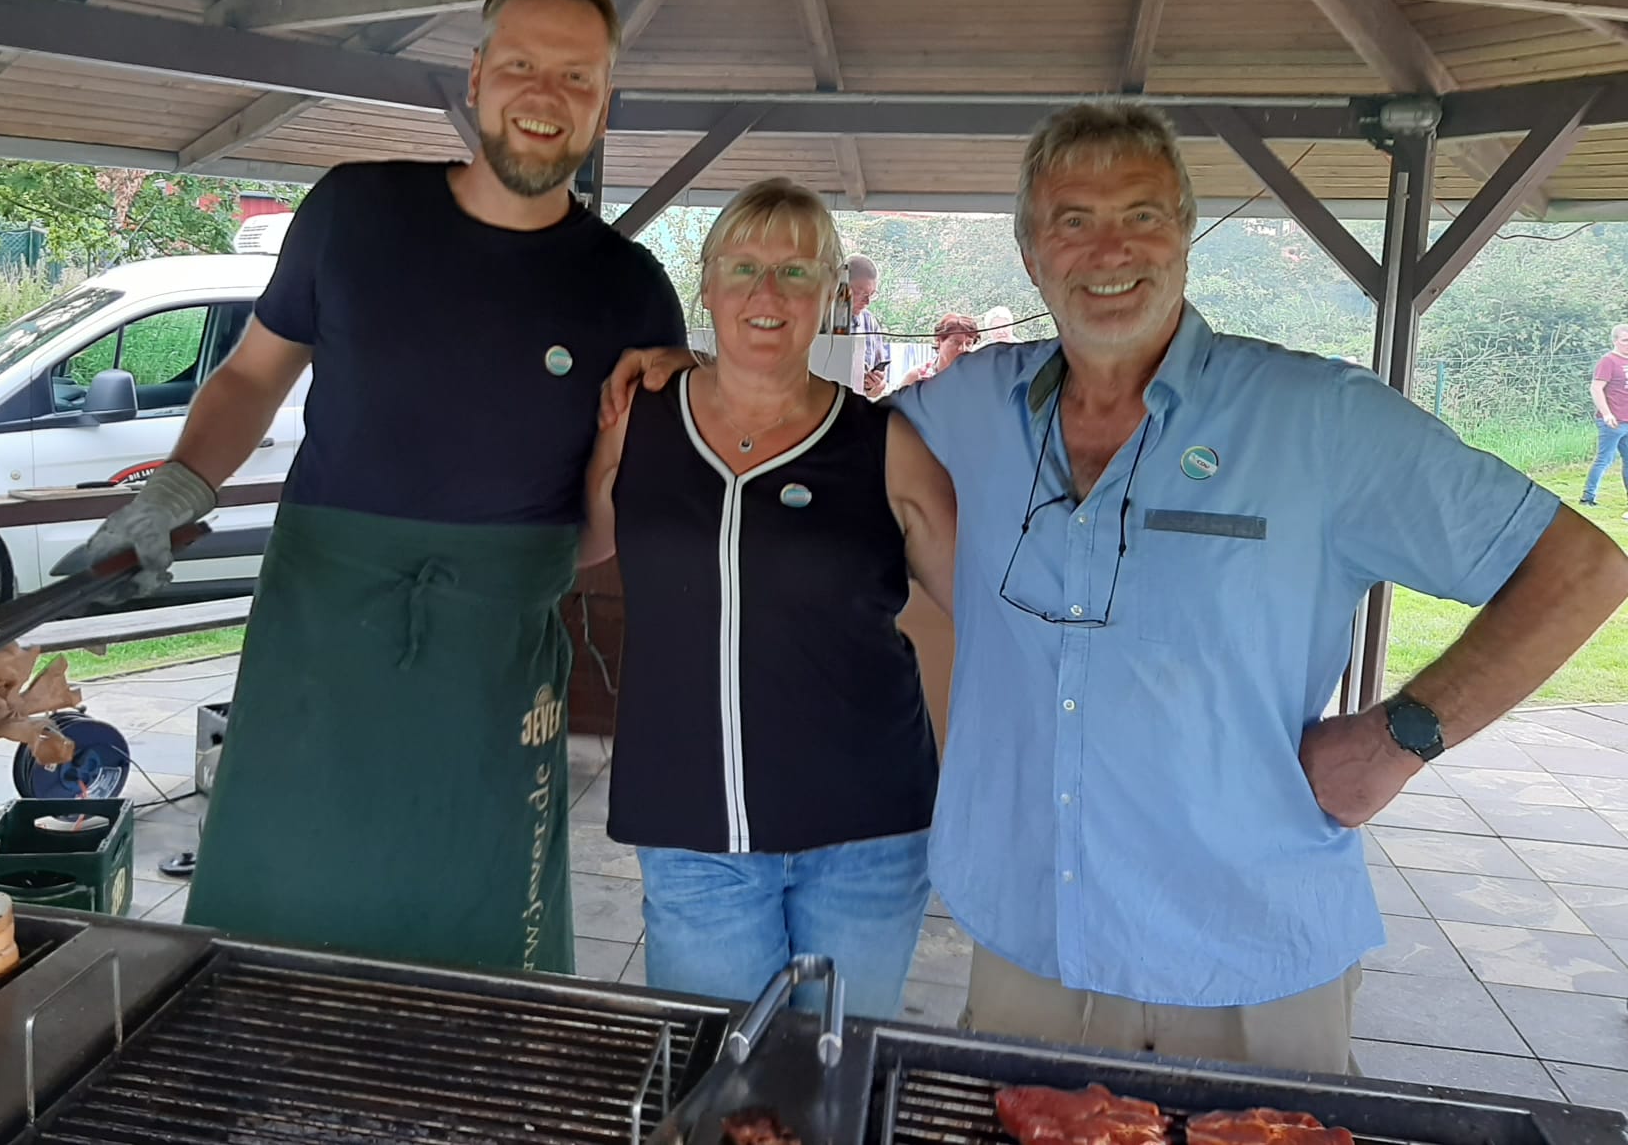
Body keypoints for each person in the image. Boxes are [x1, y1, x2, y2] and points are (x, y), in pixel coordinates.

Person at [602, 102, 1628, 1073]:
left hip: (1244, 954)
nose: (1107, 250)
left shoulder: (1316, 419)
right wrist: (705, 371)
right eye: (1072, 221)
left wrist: (1398, 737)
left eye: (1140, 215)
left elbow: (1580, 567)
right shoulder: (966, 409)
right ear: (1031, 253)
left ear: (1183, 233)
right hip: (1032, 947)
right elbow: (797, 421)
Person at [56, 0, 686, 976]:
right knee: (274, 913)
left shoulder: (631, 291)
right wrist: (174, 490)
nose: (546, 95)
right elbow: (250, 377)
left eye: (577, 76)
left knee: (478, 939)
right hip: (317, 638)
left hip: (493, 667)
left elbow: (597, 537)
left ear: (603, 104)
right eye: (521, 65)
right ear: (476, 77)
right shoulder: (354, 210)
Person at [581, 177, 956, 1019]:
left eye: (795, 272)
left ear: (830, 296)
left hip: (867, 834)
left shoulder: (885, 443)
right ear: (708, 287)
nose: (767, 292)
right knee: (721, 1077)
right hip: (691, 830)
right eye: (744, 267)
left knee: (836, 1075)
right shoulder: (637, 419)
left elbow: (997, 611)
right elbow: (568, 543)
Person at [1583, 323, 1628, 510]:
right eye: (1625, 340)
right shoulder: (1608, 361)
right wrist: (1607, 414)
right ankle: (1588, 497)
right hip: (1613, 421)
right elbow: (1596, 388)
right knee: (1605, 459)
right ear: (1615, 341)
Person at [847, 253, 890, 397]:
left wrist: (874, 386)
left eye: (871, 294)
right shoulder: (816, 319)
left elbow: (881, 384)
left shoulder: (870, 323)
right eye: (860, 293)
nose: (867, 302)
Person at [902, 312, 979, 387]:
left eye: (968, 343)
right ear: (938, 341)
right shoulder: (915, 378)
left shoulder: (977, 378)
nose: (963, 349)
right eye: (955, 342)